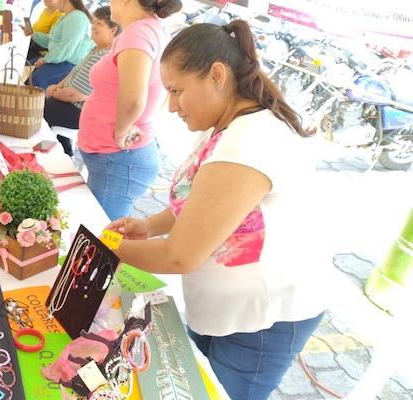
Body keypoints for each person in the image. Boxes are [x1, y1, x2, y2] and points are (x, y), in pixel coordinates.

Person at [107, 20, 326, 400]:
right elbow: (203, 203)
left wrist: (105, 249)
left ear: (217, 76)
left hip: (259, 321)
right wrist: (150, 225)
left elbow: (179, 256)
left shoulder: (250, 140)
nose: (171, 106)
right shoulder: (226, 126)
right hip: (222, 311)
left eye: (177, 91)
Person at [77, 0, 181, 221]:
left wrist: (121, 131)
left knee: (101, 232)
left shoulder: (137, 35)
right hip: (115, 158)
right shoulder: (146, 30)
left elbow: (134, 99)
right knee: (100, 227)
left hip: (117, 158)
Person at [43, 6, 120, 156]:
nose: (93, 26)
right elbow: (72, 74)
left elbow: (75, 95)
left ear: (113, 30)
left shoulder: (104, 57)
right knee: (44, 99)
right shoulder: (96, 49)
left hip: (79, 111)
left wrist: (53, 92)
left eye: (99, 24)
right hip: (70, 103)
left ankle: (54, 153)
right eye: (94, 22)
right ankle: (64, 149)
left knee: (38, 107)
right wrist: (57, 87)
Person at [28, 0, 94, 89]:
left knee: (33, 79)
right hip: (59, 59)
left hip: (68, 64)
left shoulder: (77, 17)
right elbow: (52, 40)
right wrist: (33, 35)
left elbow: (66, 48)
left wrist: (45, 60)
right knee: (25, 69)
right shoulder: (68, 16)